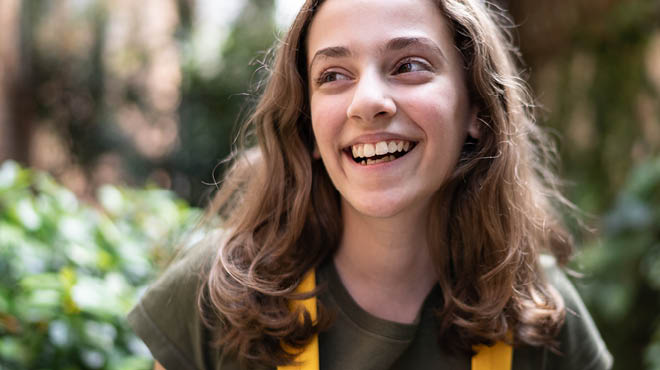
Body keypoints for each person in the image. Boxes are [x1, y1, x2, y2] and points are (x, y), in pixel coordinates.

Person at [128, 0, 614, 369]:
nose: (367, 102)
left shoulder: (543, 318)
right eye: (334, 75)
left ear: (477, 112)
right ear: (309, 128)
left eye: (409, 65)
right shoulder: (214, 298)